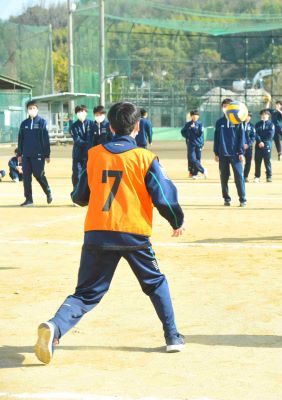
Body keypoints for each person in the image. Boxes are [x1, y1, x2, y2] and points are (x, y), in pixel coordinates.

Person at [33, 102, 186, 365]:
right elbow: (163, 196)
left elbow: (80, 196)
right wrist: (176, 220)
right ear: (137, 127)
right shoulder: (145, 158)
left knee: (86, 294)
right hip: (133, 234)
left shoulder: (94, 154)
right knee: (155, 283)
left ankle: (55, 327)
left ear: (110, 126)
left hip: (97, 232)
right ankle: (172, 336)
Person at [17, 100, 52, 206]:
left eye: (33, 108)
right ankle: (29, 199)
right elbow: (20, 139)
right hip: (26, 155)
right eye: (30, 108)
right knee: (26, 178)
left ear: (37, 109)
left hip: (38, 155)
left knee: (39, 175)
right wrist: (19, 154)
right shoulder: (24, 124)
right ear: (27, 110)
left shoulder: (42, 122)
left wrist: (47, 154)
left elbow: (46, 139)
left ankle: (48, 191)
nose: (32, 110)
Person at [214, 98, 246, 207]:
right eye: (224, 106)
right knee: (224, 178)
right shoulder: (219, 122)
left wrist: (241, 152)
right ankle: (226, 198)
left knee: (239, 177)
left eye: (228, 106)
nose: (226, 108)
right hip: (223, 154)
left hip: (236, 155)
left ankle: (242, 199)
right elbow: (216, 138)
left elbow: (242, 137)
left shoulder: (238, 121)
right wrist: (216, 153)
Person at [70, 104, 92, 191]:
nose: (80, 113)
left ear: (86, 112)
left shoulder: (92, 124)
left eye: (82, 111)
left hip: (89, 154)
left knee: (89, 175)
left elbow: (93, 137)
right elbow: (77, 140)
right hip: (77, 154)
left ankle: (88, 195)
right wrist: (88, 143)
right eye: (78, 112)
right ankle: (76, 193)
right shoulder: (73, 126)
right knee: (76, 175)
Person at [181, 109, 207, 179]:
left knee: (198, 159)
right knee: (192, 158)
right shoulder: (188, 124)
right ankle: (203, 170)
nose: (194, 117)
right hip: (191, 144)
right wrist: (187, 136)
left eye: (196, 115)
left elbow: (200, 134)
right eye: (193, 116)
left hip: (199, 144)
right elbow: (183, 132)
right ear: (191, 116)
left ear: (198, 116)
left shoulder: (200, 124)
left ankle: (195, 174)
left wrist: (194, 128)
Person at [254, 109, 275, 183]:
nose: (263, 116)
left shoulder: (271, 124)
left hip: (267, 145)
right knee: (257, 161)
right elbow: (255, 134)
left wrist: (263, 142)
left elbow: (270, 135)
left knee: (267, 161)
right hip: (258, 145)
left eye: (265, 114)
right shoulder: (257, 124)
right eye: (262, 114)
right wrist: (259, 142)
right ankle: (257, 176)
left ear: (268, 116)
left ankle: (269, 176)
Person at [241, 113, 255, 183]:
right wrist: (242, 144)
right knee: (239, 162)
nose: (247, 117)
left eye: (249, 116)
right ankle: (239, 176)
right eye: (246, 115)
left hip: (249, 147)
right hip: (240, 147)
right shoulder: (239, 124)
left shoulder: (252, 126)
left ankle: (245, 176)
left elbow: (253, 137)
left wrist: (248, 144)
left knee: (248, 162)